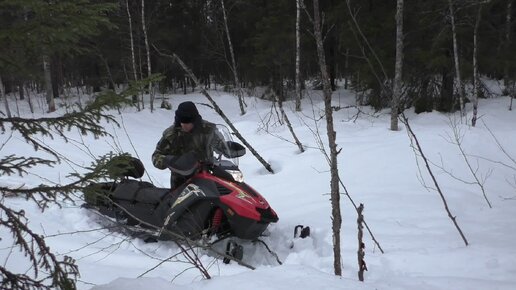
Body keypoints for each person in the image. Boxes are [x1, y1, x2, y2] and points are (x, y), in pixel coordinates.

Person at [152, 101, 224, 189]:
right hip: (181, 181)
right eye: (182, 122)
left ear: (195, 120)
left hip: (207, 176)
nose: (184, 125)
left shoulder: (207, 130)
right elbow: (156, 156)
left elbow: (219, 144)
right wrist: (170, 161)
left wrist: (229, 147)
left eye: (188, 122)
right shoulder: (171, 135)